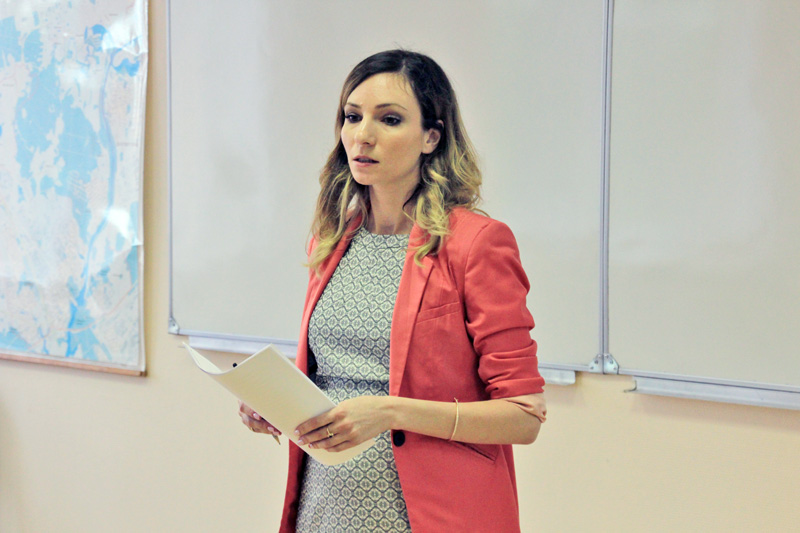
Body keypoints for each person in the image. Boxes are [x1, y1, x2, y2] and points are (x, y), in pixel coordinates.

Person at [239, 49, 547, 533]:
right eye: (352, 117)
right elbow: (335, 379)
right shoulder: (332, 239)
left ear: (431, 137)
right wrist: (278, 404)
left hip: (430, 516)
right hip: (325, 508)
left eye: (389, 119)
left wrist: (389, 412)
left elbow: (523, 416)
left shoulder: (476, 243)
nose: (363, 135)